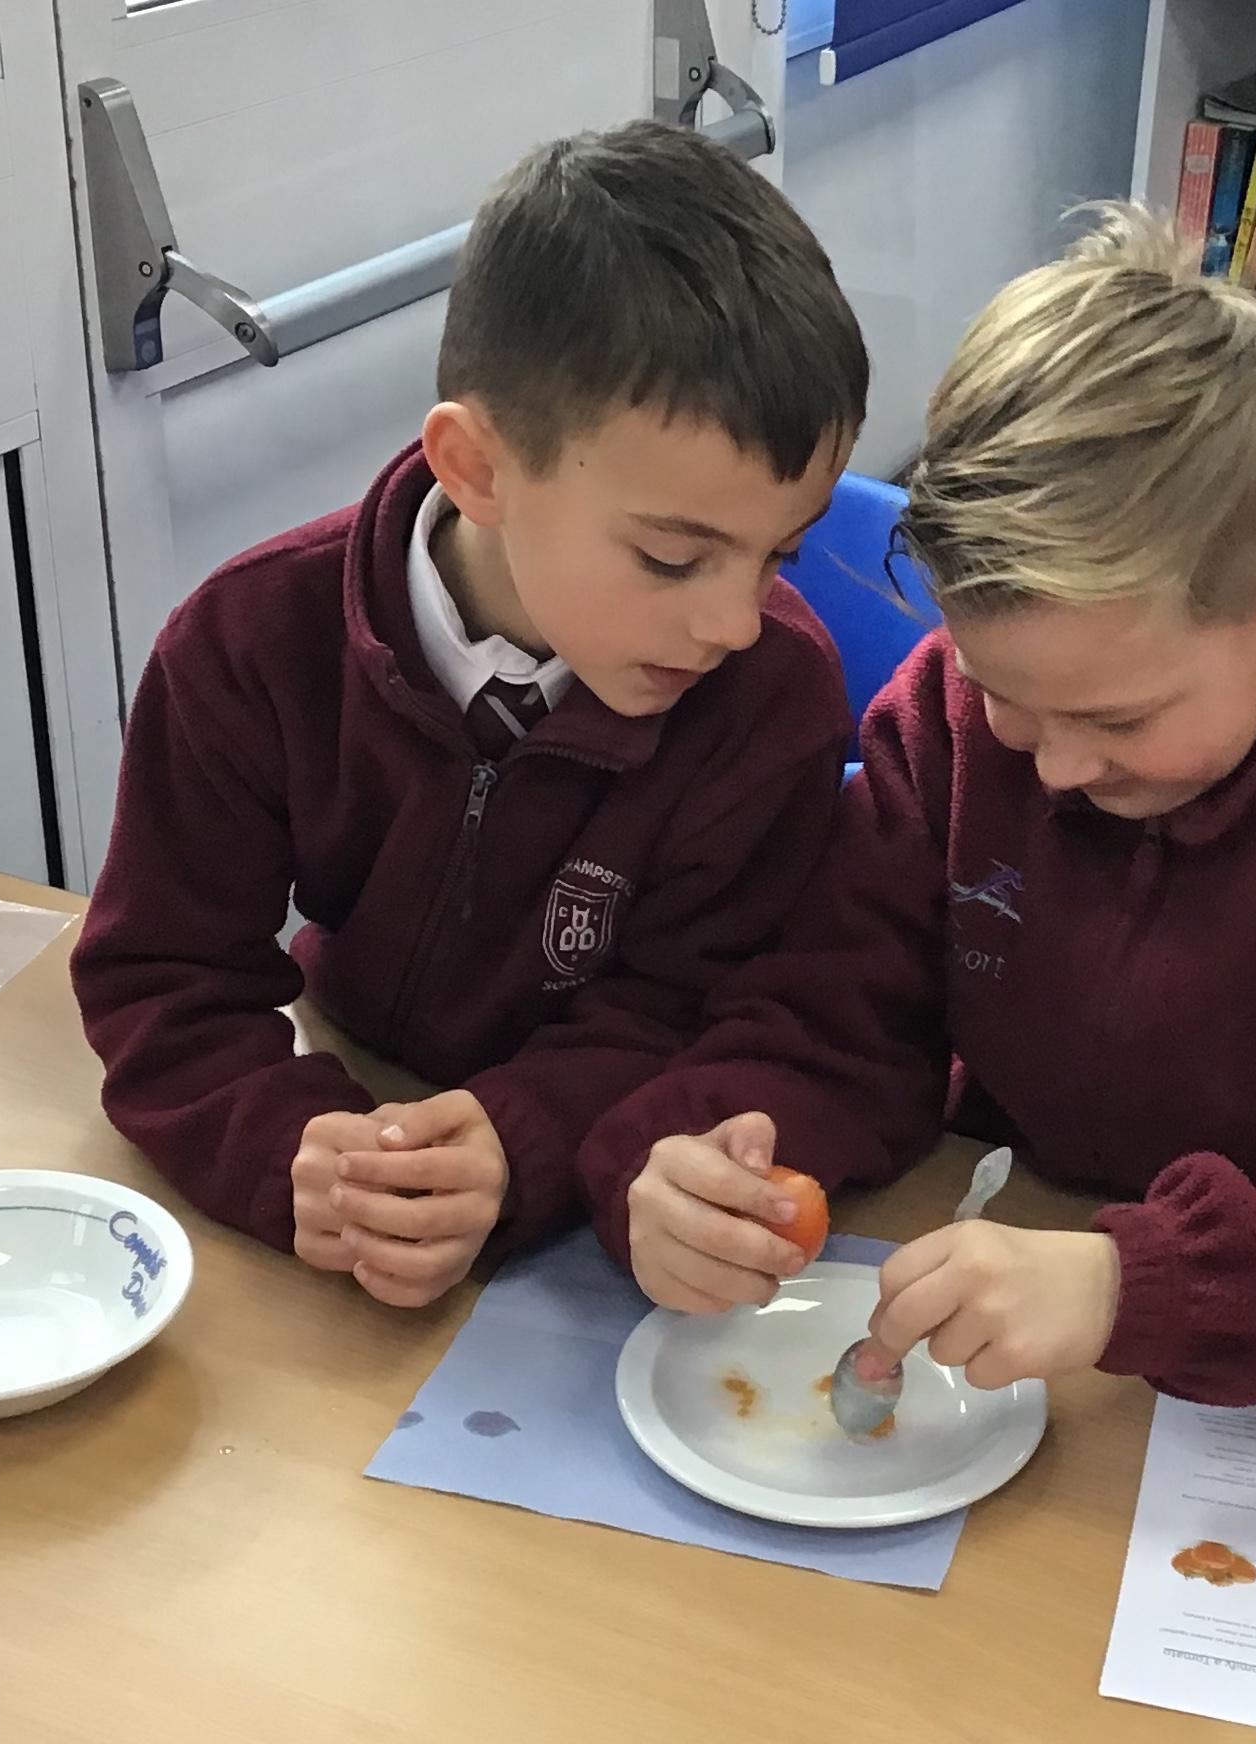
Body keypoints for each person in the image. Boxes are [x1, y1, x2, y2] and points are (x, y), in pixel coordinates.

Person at [576, 204, 1256, 1406]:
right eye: (1005, 695)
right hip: (1033, 1309)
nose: (1055, 769)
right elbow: (831, 1021)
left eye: (1120, 721)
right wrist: (699, 1158)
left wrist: (1144, 1280)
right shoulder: (948, 718)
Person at [72, 121, 867, 1309]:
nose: (734, 624)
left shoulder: (769, 703)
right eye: (671, 558)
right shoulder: (248, 644)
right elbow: (163, 977)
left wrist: (519, 1137)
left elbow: (692, 1015)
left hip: (591, 1206)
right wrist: (292, 1149)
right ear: (478, 470)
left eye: (777, 556)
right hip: (350, 1091)